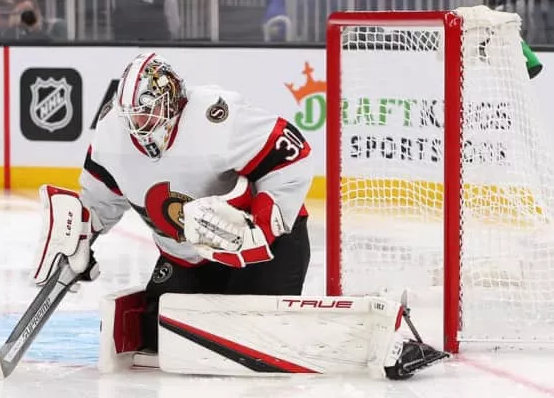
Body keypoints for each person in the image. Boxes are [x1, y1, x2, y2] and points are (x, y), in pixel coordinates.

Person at [29, 52, 447, 379]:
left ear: (171, 98)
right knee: (158, 337)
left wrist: (259, 227)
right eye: (132, 115)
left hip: (267, 248)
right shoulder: (111, 138)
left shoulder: (215, 117)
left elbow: (292, 156)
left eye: (147, 110)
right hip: (187, 257)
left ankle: (375, 327)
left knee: (255, 335)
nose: (139, 124)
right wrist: (81, 240)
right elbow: (99, 200)